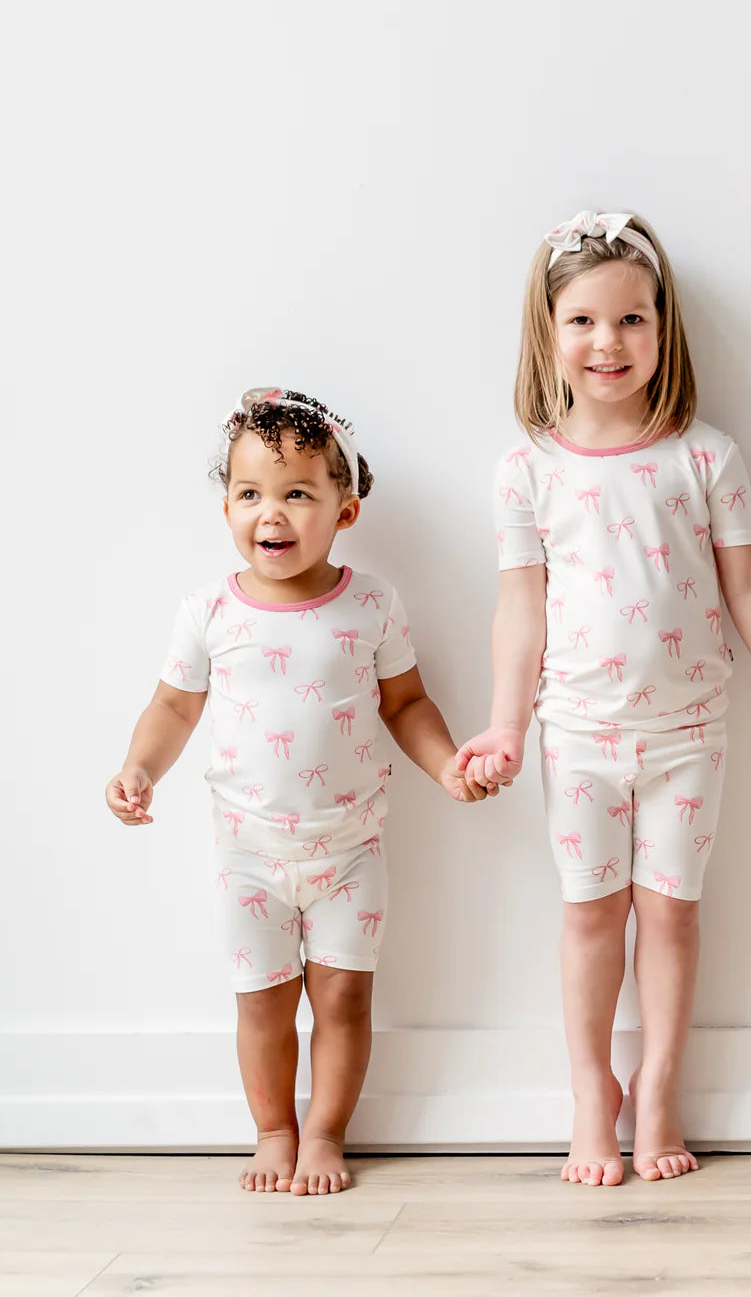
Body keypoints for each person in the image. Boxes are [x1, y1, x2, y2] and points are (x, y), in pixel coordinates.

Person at [458, 211, 751, 1185]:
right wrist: (506, 724)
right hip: (578, 734)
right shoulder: (527, 471)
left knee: (670, 914)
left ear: (663, 328)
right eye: (584, 321)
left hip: (689, 733)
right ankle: (592, 1095)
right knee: (592, 914)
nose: (609, 342)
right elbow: (519, 609)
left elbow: (749, 585)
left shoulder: (704, 457)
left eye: (633, 319)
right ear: (548, 332)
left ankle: (659, 1087)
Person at [105, 389, 492, 1194]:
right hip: (247, 854)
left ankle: (324, 1134)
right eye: (250, 493)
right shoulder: (210, 611)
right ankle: (274, 1130)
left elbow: (406, 704)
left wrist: (447, 765)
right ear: (227, 508)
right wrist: (140, 768)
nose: (271, 513)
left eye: (297, 494)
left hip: (349, 851)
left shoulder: (371, 603)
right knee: (263, 1003)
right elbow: (173, 707)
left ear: (345, 511)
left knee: (344, 998)